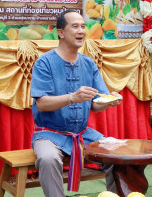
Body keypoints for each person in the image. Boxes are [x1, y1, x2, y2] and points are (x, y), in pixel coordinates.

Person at [30, 10, 122, 197]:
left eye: (83, 26)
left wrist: (110, 101)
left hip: (83, 133)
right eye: (75, 26)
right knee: (48, 159)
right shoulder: (44, 63)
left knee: (117, 154)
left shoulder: (89, 64)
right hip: (49, 134)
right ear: (61, 32)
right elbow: (42, 104)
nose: (81, 31)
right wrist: (72, 97)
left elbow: (97, 104)